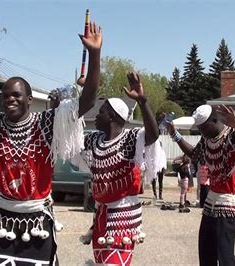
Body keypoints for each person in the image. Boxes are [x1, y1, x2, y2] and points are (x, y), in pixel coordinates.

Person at [0, 19, 102, 265]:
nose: (9, 100)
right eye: (5, 96)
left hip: (37, 223)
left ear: (29, 98)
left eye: (16, 95)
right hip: (2, 220)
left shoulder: (46, 122)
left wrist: (95, 54)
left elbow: (86, 101)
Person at [166, 104, 235, 265]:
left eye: (203, 127)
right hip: (212, 202)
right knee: (205, 251)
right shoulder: (207, 139)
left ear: (214, 120)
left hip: (229, 203)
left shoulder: (234, 135)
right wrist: (175, 135)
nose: (201, 131)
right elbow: (195, 154)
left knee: (224, 255)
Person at [80, 72, 160, 265]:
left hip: (122, 217)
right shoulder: (94, 140)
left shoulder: (131, 139)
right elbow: (72, 138)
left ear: (112, 117)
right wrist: (84, 94)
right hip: (101, 216)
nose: (97, 116)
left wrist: (142, 100)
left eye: (101, 112)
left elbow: (153, 134)